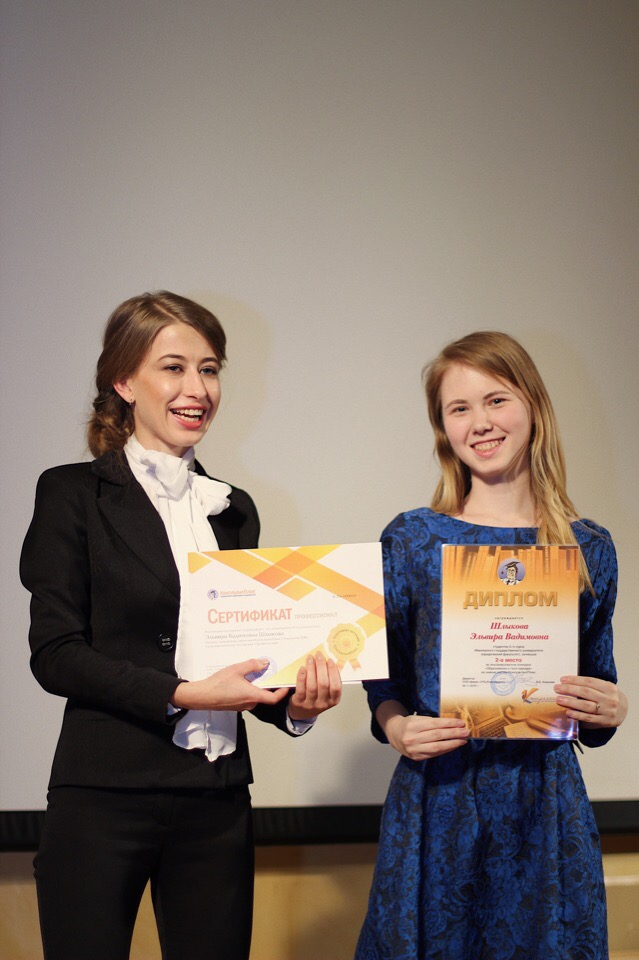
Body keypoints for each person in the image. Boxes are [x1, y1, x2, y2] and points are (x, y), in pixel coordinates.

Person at [20, 291, 342, 960]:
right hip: (103, 795)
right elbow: (55, 653)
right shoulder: (71, 493)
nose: (197, 388)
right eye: (173, 368)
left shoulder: (233, 509)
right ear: (123, 380)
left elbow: (244, 654)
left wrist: (296, 706)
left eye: (209, 369)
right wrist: (183, 693)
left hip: (215, 800)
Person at [355, 331, 627, 960]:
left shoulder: (589, 547)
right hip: (438, 803)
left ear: (533, 405)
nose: (480, 422)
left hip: (546, 811)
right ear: (443, 428)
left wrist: (611, 709)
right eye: (459, 408)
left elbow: (595, 687)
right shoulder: (413, 539)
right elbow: (383, 680)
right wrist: (396, 727)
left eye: (496, 400)